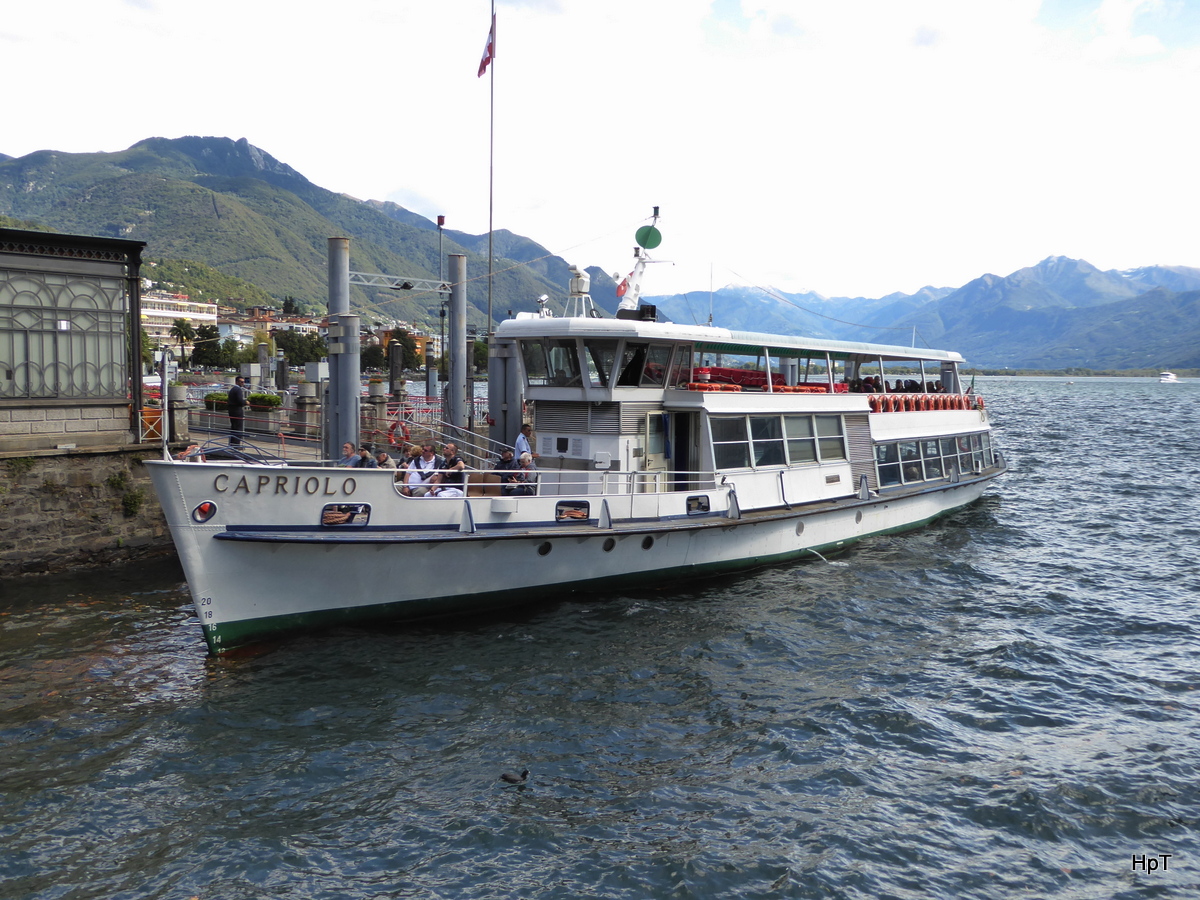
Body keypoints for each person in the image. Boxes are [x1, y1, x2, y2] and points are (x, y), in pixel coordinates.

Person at [226, 376, 248, 444]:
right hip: (237, 411)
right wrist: (246, 402)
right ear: (237, 382)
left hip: (232, 410)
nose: (243, 383)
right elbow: (239, 401)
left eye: (243, 382)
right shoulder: (238, 390)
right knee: (238, 428)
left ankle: (232, 443)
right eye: (241, 382)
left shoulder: (233, 389)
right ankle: (236, 444)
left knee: (234, 427)